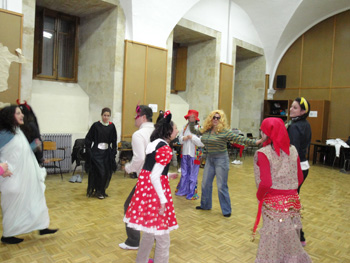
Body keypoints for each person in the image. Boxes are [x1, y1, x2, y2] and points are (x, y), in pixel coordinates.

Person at [252, 117, 311, 263]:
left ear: (267, 133)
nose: (261, 134)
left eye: (263, 131)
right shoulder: (293, 150)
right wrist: (289, 191)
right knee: (289, 234)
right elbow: (299, 176)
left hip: (273, 204)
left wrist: (260, 196)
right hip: (292, 202)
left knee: (272, 236)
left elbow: (266, 183)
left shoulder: (263, 153)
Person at [124, 110, 179, 263]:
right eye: (175, 128)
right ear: (168, 131)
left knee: (149, 233)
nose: (177, 131)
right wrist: (162, 200)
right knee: (162, 238)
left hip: (147, 192)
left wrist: (166, 176)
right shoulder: (165, 149)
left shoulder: (153, 144)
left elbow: (150, 171)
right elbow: (154, 176)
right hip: (155, 195)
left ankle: (140, 260)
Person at [0, 105, 58, 244]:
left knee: (35, 199)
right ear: (9, 116)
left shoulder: (17, 131)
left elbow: (21, 152)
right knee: (13, 208)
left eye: (21, 113)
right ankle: (7, 235)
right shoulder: (3, 134)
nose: (22, 116)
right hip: (12, 178)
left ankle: (41, 226)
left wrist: (33, 145)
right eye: (18, 113)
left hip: (25, 176)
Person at [191, 110, 262, 217]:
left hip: (221, 159)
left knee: (221, 186)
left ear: (221, 120)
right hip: (210, 158)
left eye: (218, 118)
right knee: (205, 183)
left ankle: (226, 210)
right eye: (213, 117)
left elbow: (239, 138)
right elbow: (195, 132)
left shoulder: (225, 132)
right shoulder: (206, 130)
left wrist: (255, 142)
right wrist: (191, 122)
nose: (215, 119)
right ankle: (205, 205)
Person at [119, 105, 155, 250]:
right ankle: (155, 238)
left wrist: (128, 168)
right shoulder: (156, 131)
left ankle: (133, 241)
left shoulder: (138, 135)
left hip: (146, 179)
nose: (135, 118)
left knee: (130, 206)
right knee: (151, 208)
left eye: (137, 115)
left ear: (144, 117)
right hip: (158, 178)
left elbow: (139, 158)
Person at [287, 97, 311, 246]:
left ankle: (299, 236)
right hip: (303, 166)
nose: (291, 109)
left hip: (296, 168)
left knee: (289, 203)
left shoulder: (295, 127)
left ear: (302, 111)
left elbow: (292, 149)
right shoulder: (304, 124)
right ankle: (297, 236)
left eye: (295, 108)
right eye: (291, 107)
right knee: (291, 202)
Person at [85, 107, 117, 199]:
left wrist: (113, 151)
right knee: (100, 172)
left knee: (106, 172)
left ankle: (102, 190)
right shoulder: (96, 125)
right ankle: (98, 191)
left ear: (110, 116)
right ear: (101, 115)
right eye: (104, 115)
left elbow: (114, 140)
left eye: (108, 116)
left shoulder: (112, 126)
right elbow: (88, 138)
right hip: (97, 153)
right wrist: (89, 150)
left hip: (107, 153)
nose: (106, 117)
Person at [175, 109, 204, 200]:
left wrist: (193, 138)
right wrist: (184, 138)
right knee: (184, 173)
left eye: (192, 117)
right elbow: (179, 139)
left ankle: (192, 192)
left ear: (195, 119)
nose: (190, 119)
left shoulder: (200, 129)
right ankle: (183, 190)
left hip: (194, 156)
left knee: (193, 175)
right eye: (189, 117)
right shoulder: (184, 127)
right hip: (184, 154)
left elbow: (202, 143)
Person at [17, 100, 44, 165]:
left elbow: (38, 143)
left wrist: (39, 158)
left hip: (28, 158)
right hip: (23, 158)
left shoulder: (30, 125)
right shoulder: (17, 126)